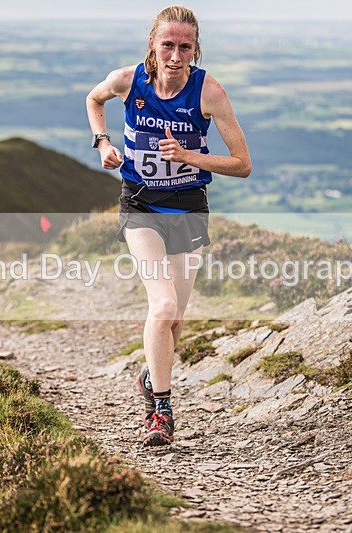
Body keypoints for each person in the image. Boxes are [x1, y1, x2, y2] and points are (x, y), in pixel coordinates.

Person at [86, 5, 251, 446]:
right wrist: (102, 141)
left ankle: (149, 375)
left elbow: (242, 164)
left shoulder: (209, 92)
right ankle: (161, 409)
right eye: (167, 45)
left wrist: (190, 156)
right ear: (153, 46)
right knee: (160, 308)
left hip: (188, 208)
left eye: (185, 46)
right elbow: (93, 99)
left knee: (174, 322)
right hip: (140, 204)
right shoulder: (128, 80)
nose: (175, 55)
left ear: (195, 49)